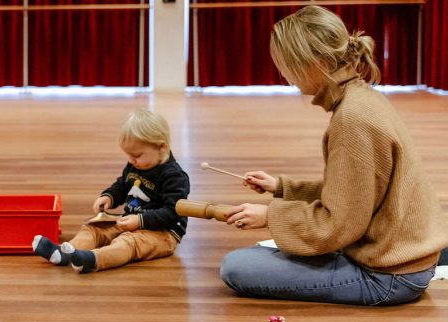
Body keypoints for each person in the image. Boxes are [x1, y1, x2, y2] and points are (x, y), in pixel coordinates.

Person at [220, 5, 448, 305]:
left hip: (389, 276)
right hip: (403, 257)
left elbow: (338, 225)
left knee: (237, 267)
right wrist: (283, 188)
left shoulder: (352, 120)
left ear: (319, 63)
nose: (284, 74)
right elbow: (356, 195)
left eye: (288, 64)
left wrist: (270, 216)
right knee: (260, 257)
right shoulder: (361, 98)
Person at [32, 109, 190, 273]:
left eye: (137, 155)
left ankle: (92, 259)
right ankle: (64, 253)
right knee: (94, 228)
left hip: (163, 233)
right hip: (131, 221)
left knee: (127, 243)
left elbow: (172, 213)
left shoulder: (174, 176)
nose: (131, 161)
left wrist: (140, 220)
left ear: (161, 147)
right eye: (128, 155)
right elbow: (123, 184)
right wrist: (110, 196)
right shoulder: (136, 164)